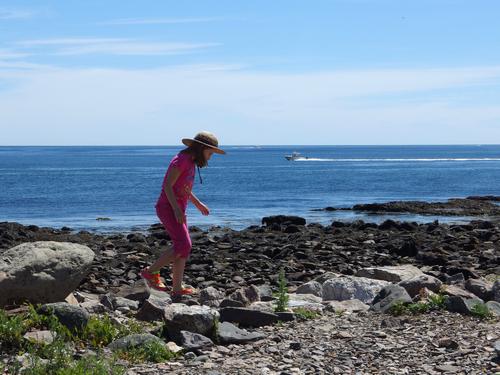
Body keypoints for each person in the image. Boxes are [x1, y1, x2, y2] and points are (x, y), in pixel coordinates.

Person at [140, 131, 225, 298]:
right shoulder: (181, 160)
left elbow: (184, 188)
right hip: (168, 208)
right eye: (210, 153)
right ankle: (151, 272)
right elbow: (167, 186)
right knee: (184, 244)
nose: (210, 157)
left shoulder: (191, 162)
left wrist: (197, 202)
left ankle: (177, 288)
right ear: (201, 148)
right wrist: (176, 209)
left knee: (183, 247)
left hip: (177, 209)